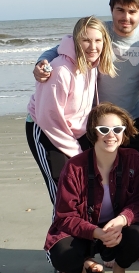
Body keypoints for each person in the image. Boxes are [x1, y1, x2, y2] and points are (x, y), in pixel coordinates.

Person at [33, 0, 139, 157]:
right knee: (98, 176)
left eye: (132, 11)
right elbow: (61, 48)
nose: (126, 17)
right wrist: (41, 63)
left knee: (131, 175)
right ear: (111, 10)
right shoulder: (99, 32)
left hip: (132, 118)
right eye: (120, 10)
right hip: (97, 120)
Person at [44, 102, 139, 273]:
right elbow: (65, 216)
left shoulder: (133, 158)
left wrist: (122, 220)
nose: (111, 135)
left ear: (124, 132)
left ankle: (119, 268)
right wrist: (96, 232)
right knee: (61, 252)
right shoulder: (74, 166)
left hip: (117, 230)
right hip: (85, 232)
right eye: (104, 129)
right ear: (93, 133)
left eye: (117, 129)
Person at [26, 16, 116, 206]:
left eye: (97, 40)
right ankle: (59, 235)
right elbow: (48, 118)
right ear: (76, 41)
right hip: (46, 130)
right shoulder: (59, 71)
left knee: (87, 187)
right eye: (86, 40)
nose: (93, 46)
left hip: (76, 131)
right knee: (63, 191)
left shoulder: (91, 63)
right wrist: (75, 152)